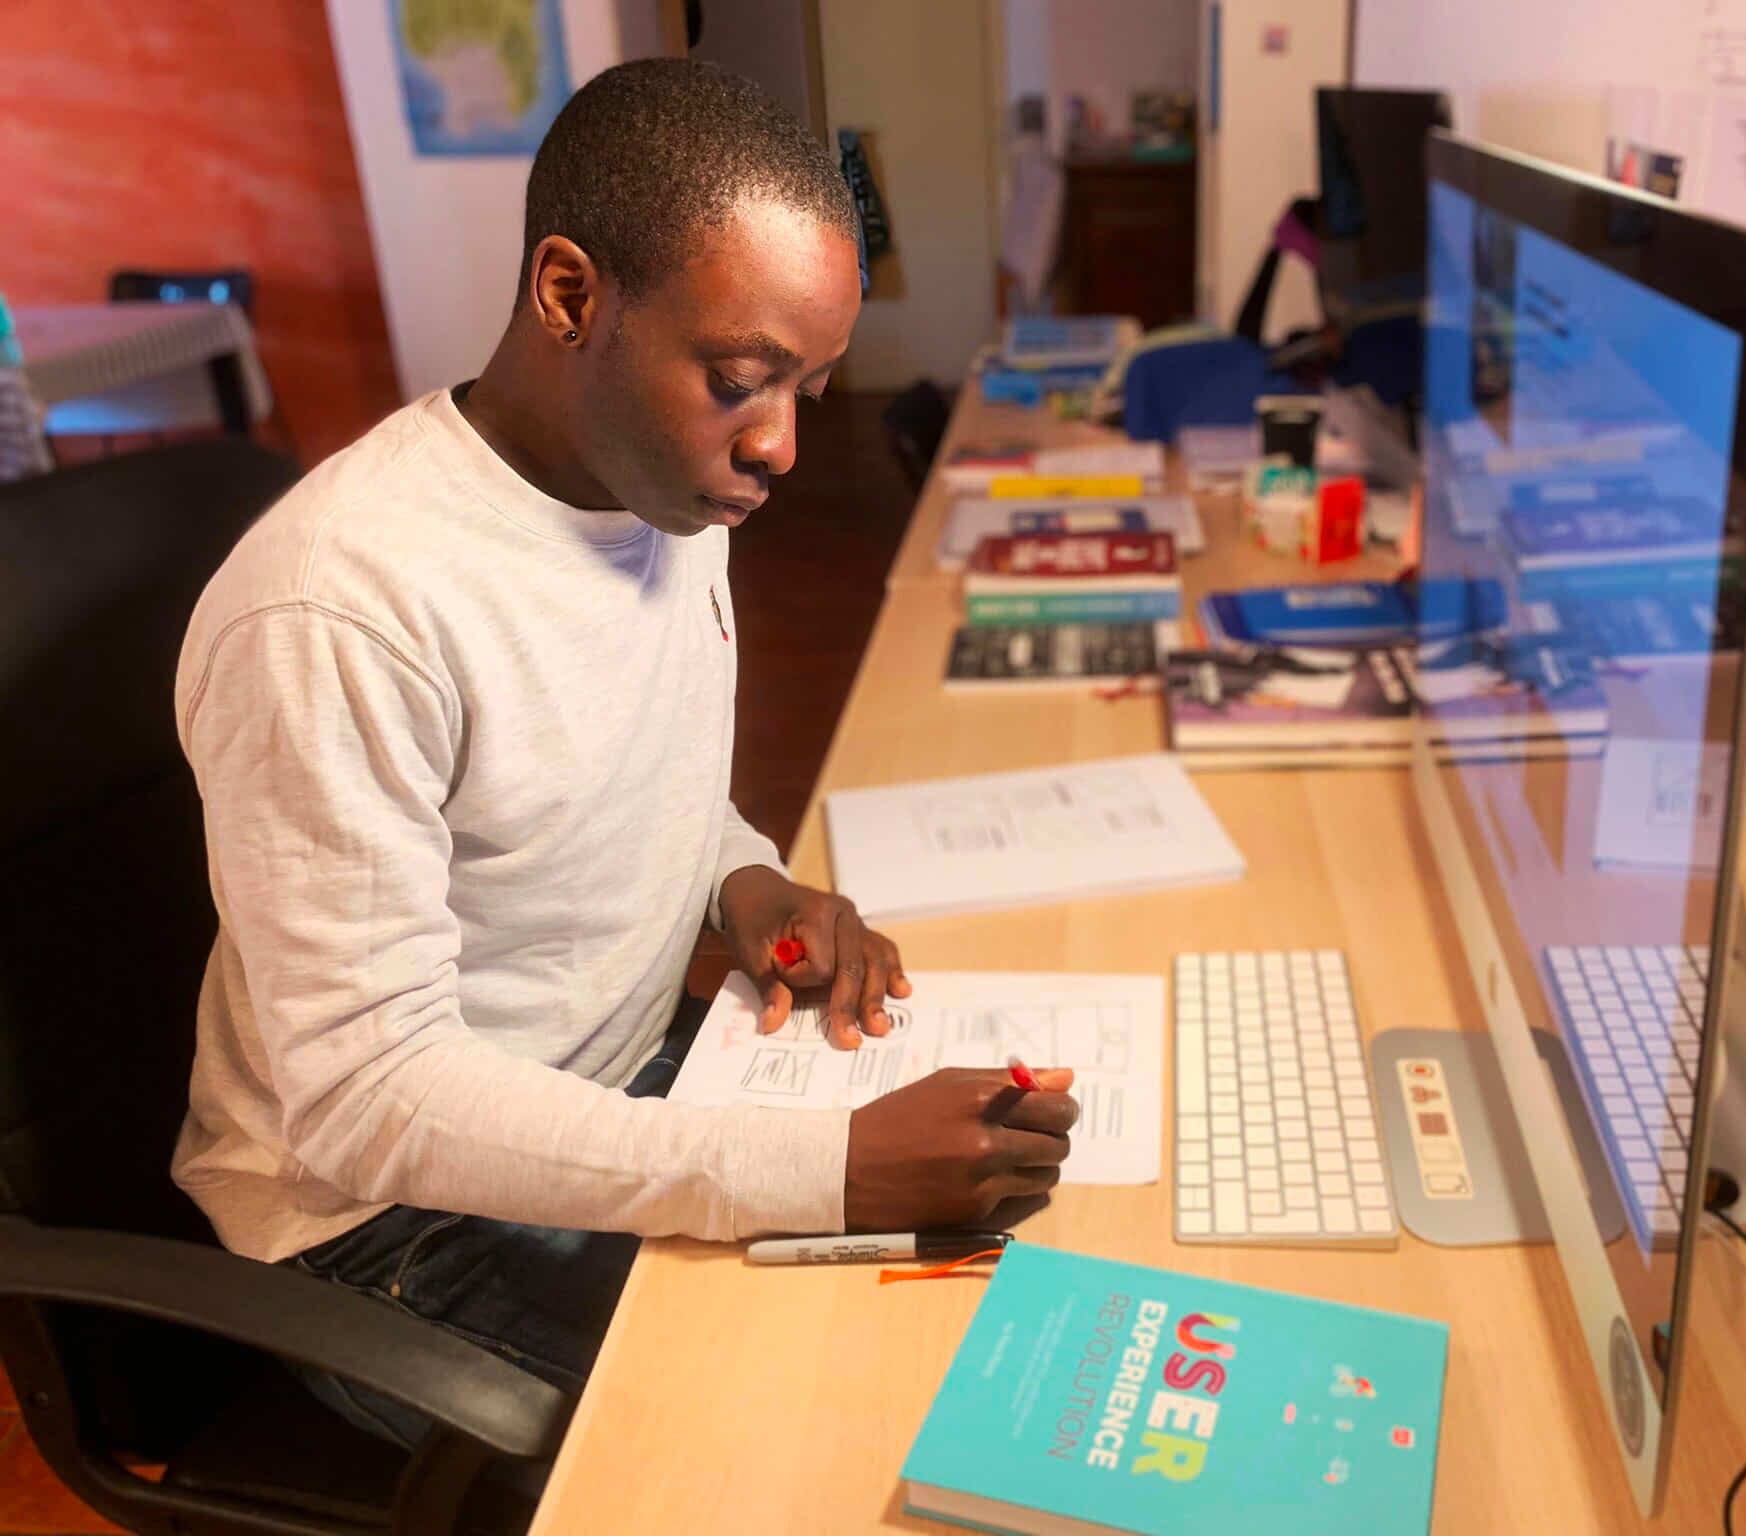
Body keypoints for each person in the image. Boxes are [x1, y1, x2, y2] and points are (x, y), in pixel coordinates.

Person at [171, 59, 1077, 1440]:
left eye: (810, 388)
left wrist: (747, 880)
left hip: (612, 1090)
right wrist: (814, 1165)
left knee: (1012, 1298)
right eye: (740, 379)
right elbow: (363, 1102)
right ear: (571, 296)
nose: (776, 444)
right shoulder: (340, 609)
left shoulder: (663, 485)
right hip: (387, 1225)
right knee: (854, 1424)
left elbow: (608, 776)